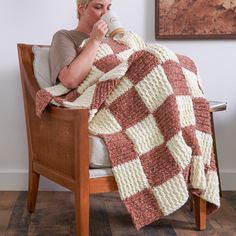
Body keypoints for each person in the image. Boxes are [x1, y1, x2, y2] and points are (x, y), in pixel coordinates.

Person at [49, 0, 112, 88]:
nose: (105, 13)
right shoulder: (64, 36)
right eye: (98, 7)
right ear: (81, 9)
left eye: (108, 8)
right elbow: (70, 80)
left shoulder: (112, 39)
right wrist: (95, 40)